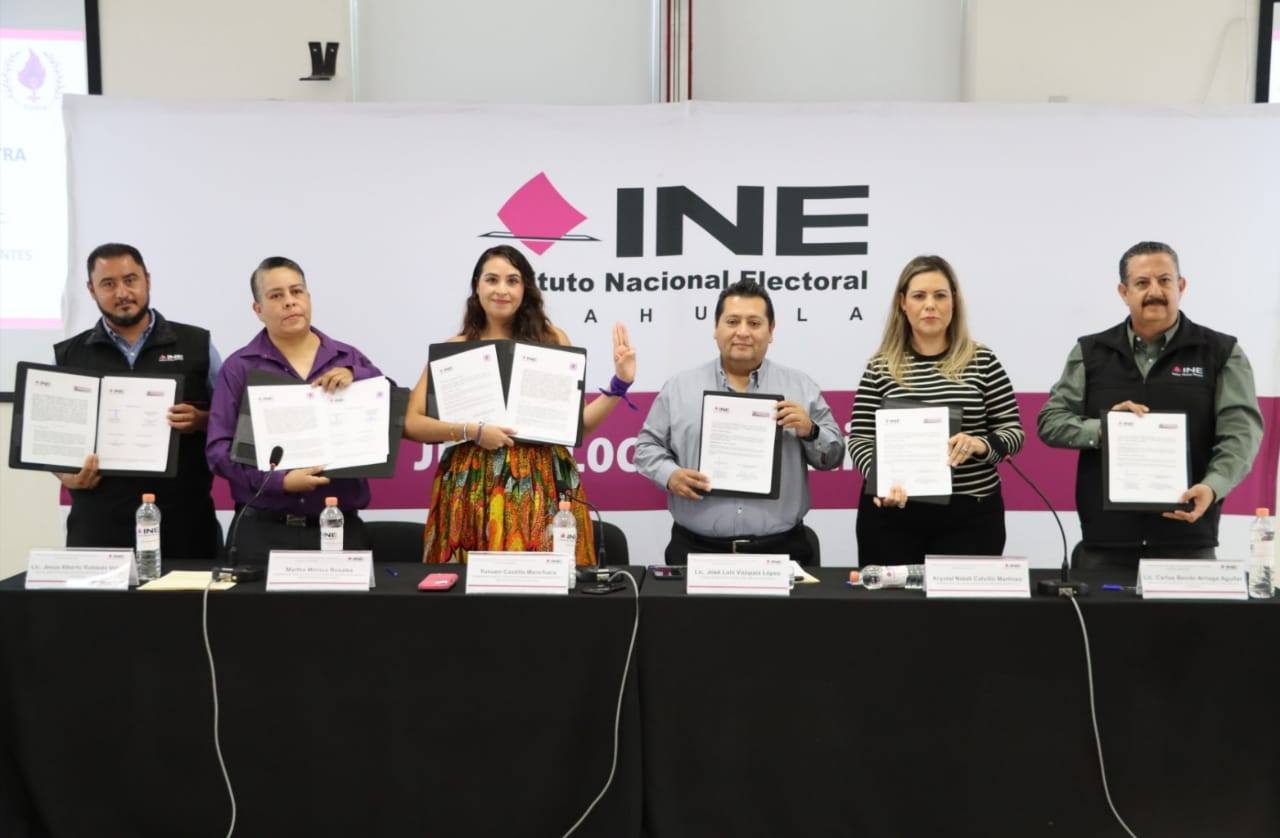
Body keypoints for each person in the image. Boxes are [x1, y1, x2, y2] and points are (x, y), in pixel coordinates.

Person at [403, 244, 636, 564]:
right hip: (472, 485)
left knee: (548, 582)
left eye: (512, 280)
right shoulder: (455, 348)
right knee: (470, 586)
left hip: (542, 482)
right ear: (476, 286)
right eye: (492, 280)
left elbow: (578, 425)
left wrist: (619, 383)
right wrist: (471, 431)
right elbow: (411, 423)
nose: (502, 290)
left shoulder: (552, 340)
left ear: (525, 289)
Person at [1037, 241, 1263, 569]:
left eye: (1164, 280)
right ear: (1123, 292)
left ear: (1181, 286)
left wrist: (1212, 487)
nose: (1154, 291)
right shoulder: (1090, 352)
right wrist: (1105, 429)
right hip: (1105, 543)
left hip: (1188, 538)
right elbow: (1051, 422)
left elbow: (1241, 434)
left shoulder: (1221, 352)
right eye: (1142, 283)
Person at [634, 279, 842, 566]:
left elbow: (833, 456)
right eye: (732, 322)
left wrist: (811, 430)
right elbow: (646, 447)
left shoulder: (800, 387)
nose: (743, 332)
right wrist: (670, 475)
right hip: (695, 551)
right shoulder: (679, 388)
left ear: (771, 330)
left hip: (781, 551)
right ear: (716, 327)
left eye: (754, 323)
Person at [206, 256, 386, 563]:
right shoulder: (239, 368)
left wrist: (358, 376)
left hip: (337, 527)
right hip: (262, 531)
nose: (290, 301)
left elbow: (390, 408)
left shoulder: (348, 358)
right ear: (258, 309)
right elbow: (218, 450)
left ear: (309, 297)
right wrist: (278, 481)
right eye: (276, 295)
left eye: (296, 291)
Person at [847, 255, 1025, 564]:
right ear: (903, 303)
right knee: (891, 599)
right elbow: (860, 438)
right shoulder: (879, 367)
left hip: (971, 516)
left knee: (964, 598)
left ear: (953, 301)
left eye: (940, 295)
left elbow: (1013, 432)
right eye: (919, 296)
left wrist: (980, 444)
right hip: (893, 516)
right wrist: (881, 480)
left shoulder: (983, 361)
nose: (930, 305)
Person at [53, 242, 223, 558]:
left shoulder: (198, 344)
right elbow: (47, 436)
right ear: (91, 290)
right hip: (99, 526)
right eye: (108, 284)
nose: (122, 292)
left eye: (130, 280)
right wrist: (66, 475)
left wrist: (200, 421)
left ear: (147, 280)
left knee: (187, 593)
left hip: (185, 523)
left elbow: (231, 419)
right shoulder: (67, 356)